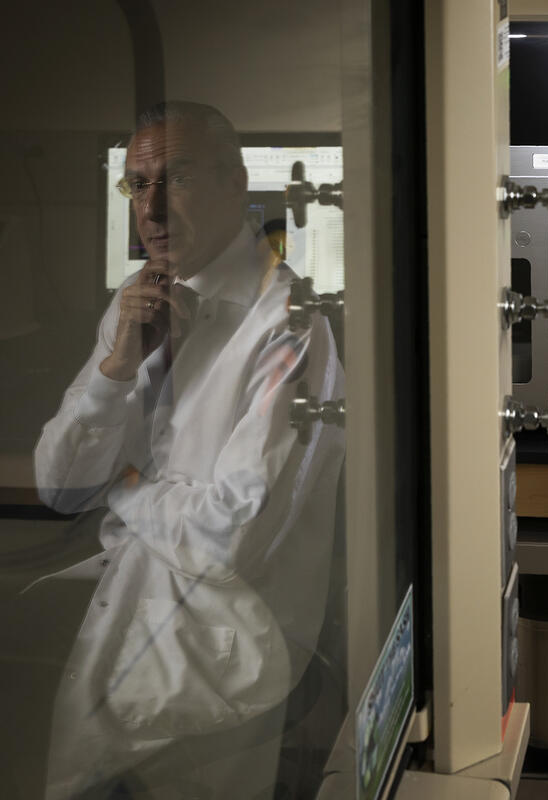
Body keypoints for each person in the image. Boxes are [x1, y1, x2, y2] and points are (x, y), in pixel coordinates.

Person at [30, 101, 344, 798]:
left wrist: (125, 488)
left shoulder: (288, 329)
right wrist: (114, 373)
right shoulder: (133, 305)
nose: (152, 208)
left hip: (223, 638)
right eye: (138, 185)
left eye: (178, 179)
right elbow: (57, 486)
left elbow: (224, 540)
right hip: (130, 597)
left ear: (236, 184)